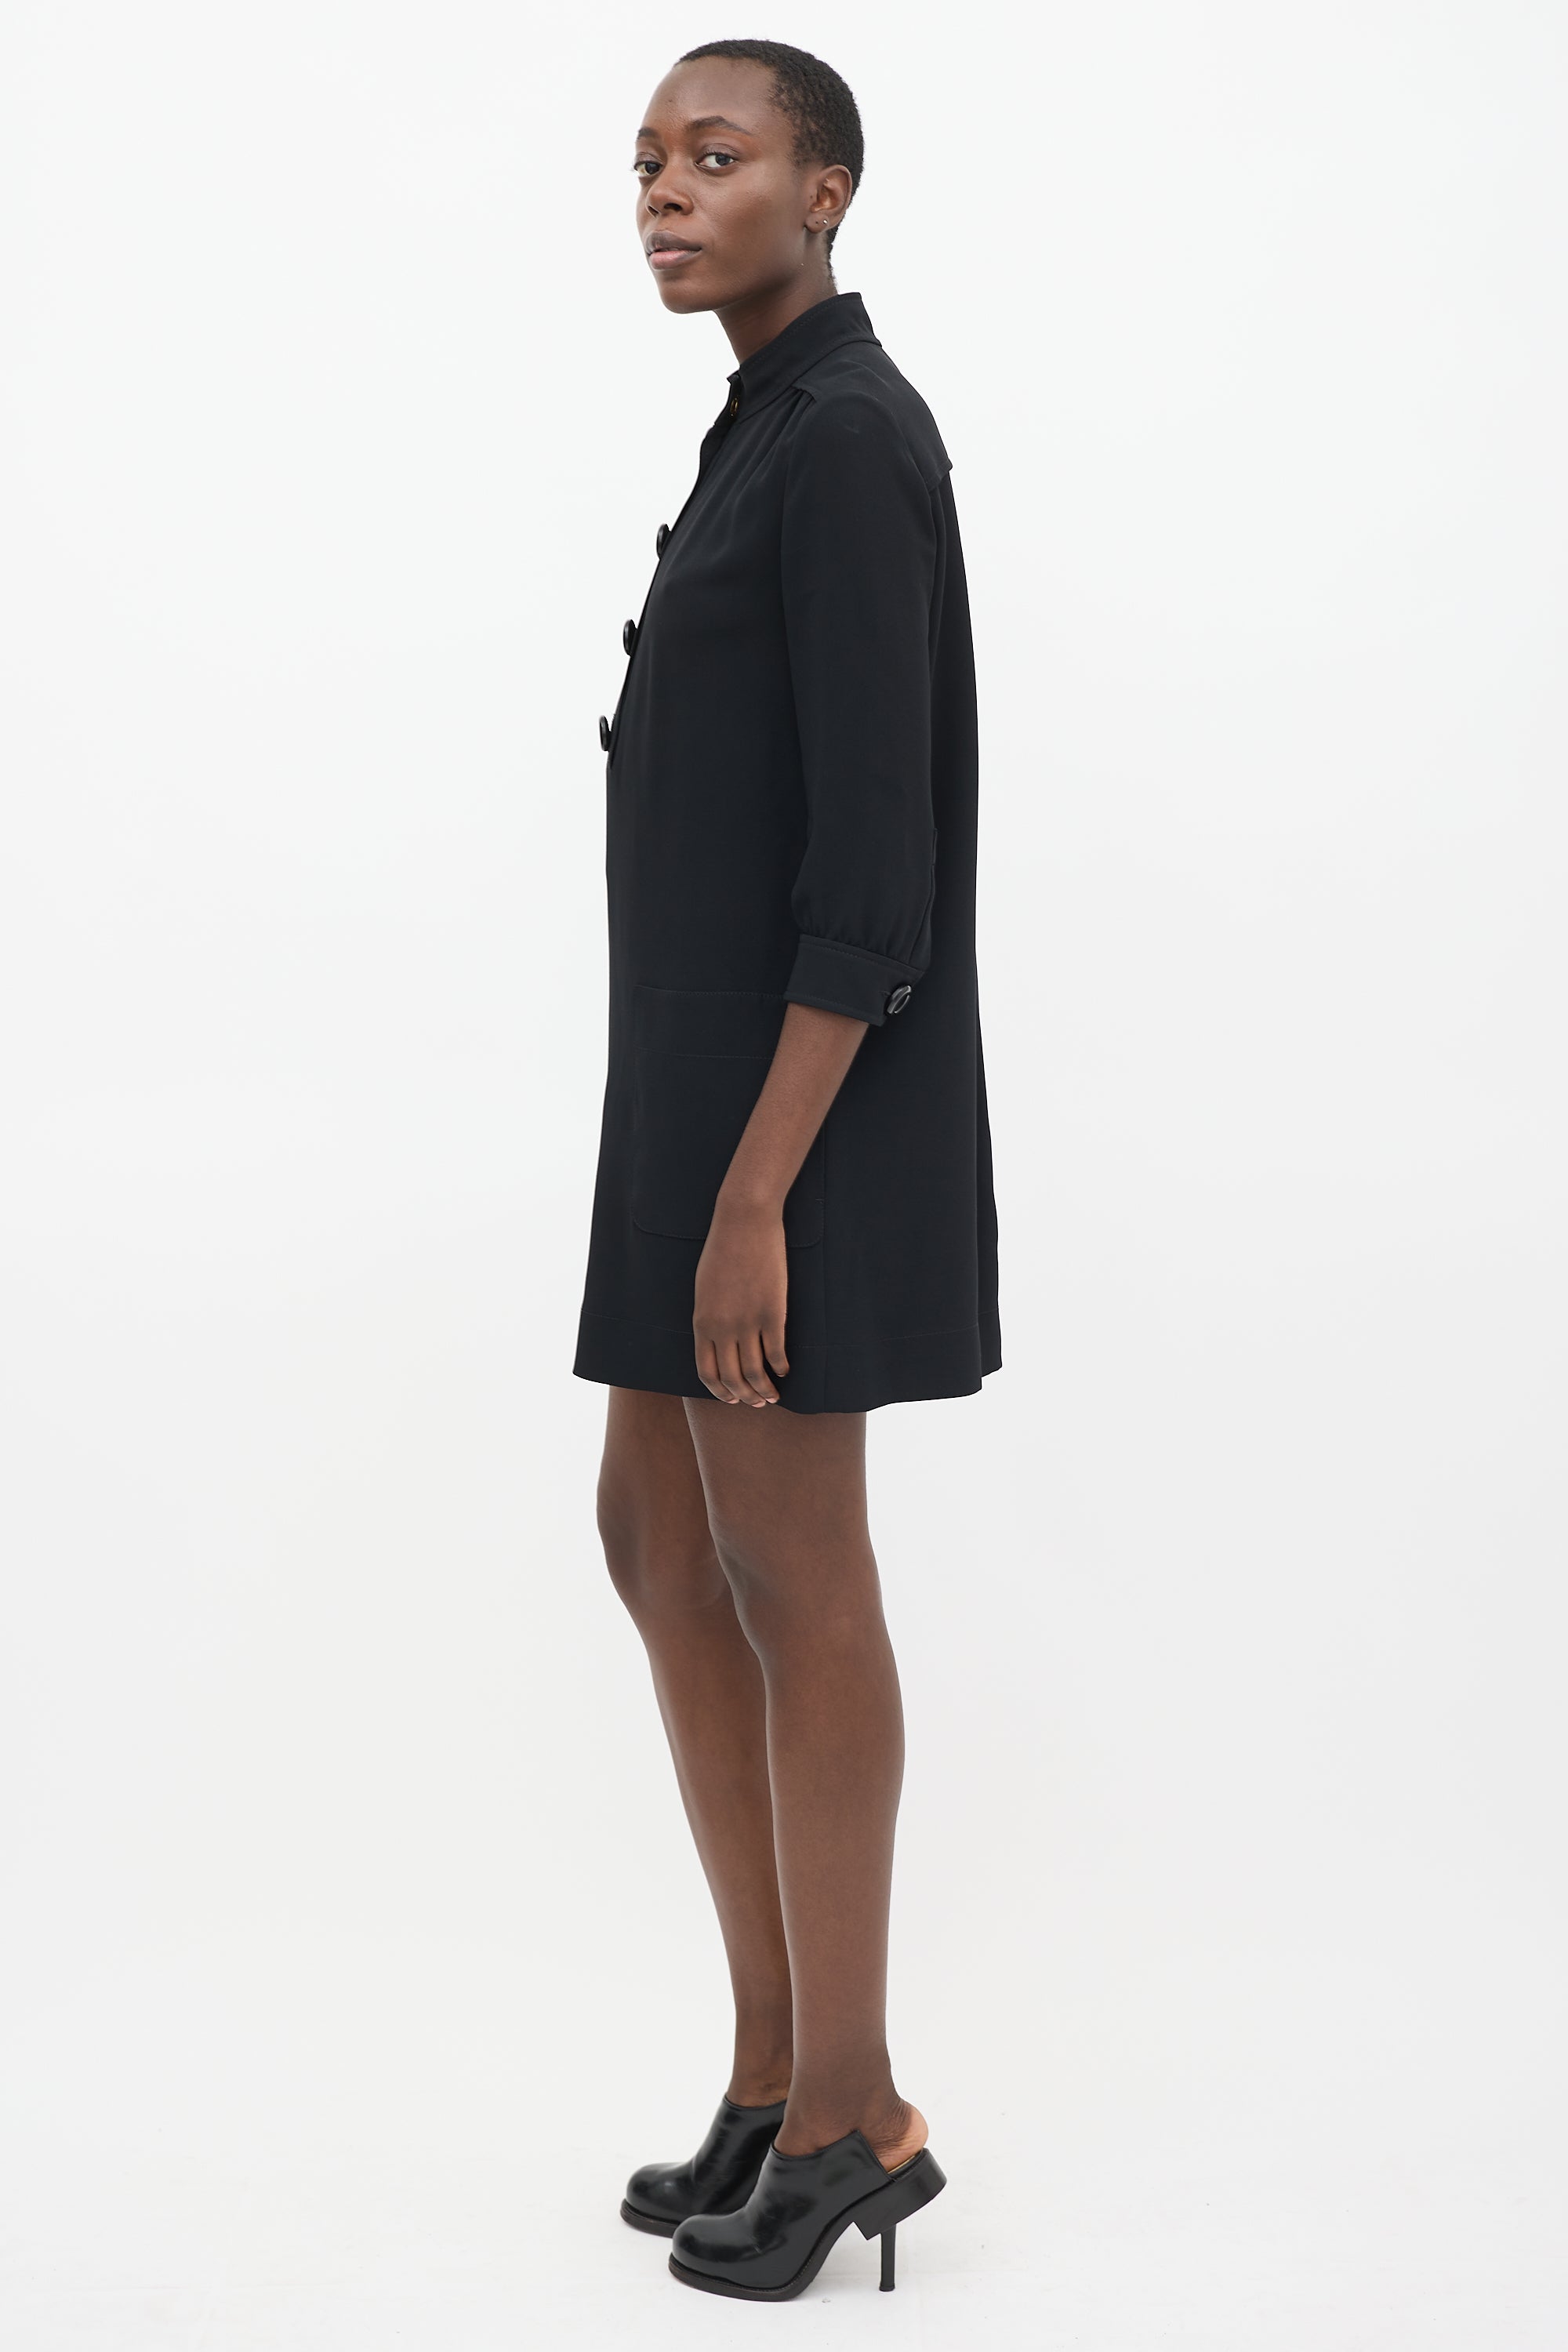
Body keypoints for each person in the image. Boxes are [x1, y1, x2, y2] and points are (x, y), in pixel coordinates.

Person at [572, 38, 1001, 2302]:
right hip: (689, 1101)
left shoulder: (851, 441)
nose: (666, 190)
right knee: (659, 1535)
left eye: (716, 156)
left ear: (824, 191)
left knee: (790, 1566)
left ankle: (857, 2110)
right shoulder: (761, 424)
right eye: (647, 160)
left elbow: (876, 868)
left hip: (797, 1117)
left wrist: (755, 1195)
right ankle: (767, 2065)